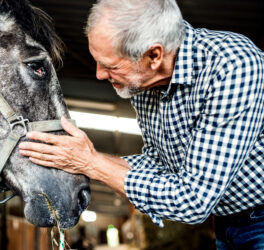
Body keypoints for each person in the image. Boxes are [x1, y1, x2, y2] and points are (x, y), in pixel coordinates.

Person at [18, 0, 264, 248]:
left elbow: (192, 200)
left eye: (110, 65)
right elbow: (159, 163)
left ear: (154, 55)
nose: (99, 74)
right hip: (226, 220)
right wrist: (78, 159)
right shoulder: (146, 82)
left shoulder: (233, 68)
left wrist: (90, 162)